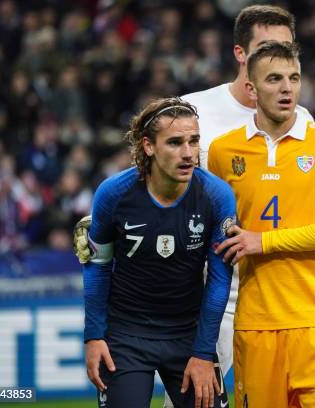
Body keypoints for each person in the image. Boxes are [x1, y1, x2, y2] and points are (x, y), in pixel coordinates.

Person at [74, 6, 313, 400]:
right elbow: (141, 190)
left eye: (289, 50)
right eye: (269, 48)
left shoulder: (303, 121)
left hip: (271, 290)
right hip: (203, 294)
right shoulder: (194, 110)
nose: (282, 60)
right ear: (241, 54)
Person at [208, 41, 315, 407]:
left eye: (294, 78)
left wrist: (262, 242)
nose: (287, 88)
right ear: (251, 88)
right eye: (275, 79)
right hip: (256, 323)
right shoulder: (222, 151)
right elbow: (217, 237)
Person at [82, 97, 235, 408]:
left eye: (194, 141)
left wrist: (205, 352)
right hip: (126, 336)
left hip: (189, 336)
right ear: (148, 146)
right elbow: (97, 266)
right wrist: (94, 335)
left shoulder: (216, 196)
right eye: (175, 142)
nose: (189, 153)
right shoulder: (113, 194)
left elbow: (220, 280)